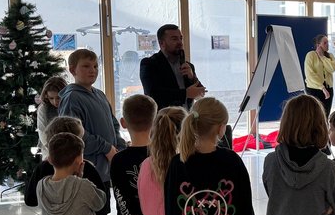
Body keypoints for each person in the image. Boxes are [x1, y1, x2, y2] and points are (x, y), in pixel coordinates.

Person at [59, 48, 126, 187]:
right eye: (86, 66)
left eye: (95, 66)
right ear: (72, 70)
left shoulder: (100, 94)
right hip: (88, 171)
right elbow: (74, 136)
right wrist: (106, 147)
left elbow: (113, 124)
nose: (92, 70)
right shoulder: (72, 98)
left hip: (107, 169)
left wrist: (119, 148)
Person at [139, 24, 207, 109]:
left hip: (187, 116)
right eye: (174, 39)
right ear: (161, 43)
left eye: (180, 38)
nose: (180, 42)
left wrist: (192, 77)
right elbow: (152, 94)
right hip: (164, 116)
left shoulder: (188, 66)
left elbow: (200, 93)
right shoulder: (149, 64)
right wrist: (185, 94)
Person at [304, 33, 335, 116]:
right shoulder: (311, 55)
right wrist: (322, 88)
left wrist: (322, 57)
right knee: (314, 115)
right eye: (325, 43)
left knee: (325, 114)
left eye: (328, 42)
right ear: (318, 45)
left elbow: (332, 68)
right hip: (314, 89)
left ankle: (324, 125)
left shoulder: (330, 56)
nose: (327, 45)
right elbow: (310, 74)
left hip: (328, 88)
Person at [36, 75, 67, 155]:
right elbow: (42, 132)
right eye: (51, 98)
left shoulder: (70, 105)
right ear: (46, 96)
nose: (55, 102)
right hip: (50, 151)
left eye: (58, 98)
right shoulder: (43, 109)